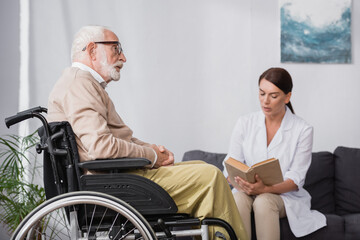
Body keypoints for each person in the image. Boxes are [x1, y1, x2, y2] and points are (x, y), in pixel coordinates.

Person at [47, 25, 247, 240]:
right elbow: (101, 147)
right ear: (92, 50)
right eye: (116, 48)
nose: (123, 57)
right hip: (111, 184)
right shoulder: (79, 85)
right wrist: (151, 156)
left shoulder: (82, 84)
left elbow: (111, 140)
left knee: (200, 167)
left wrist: (150, 150)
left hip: (116, 177)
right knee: (210, 177)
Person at [223, 68, 326, 240]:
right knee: (237, 201)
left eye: (273, 95)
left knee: (264, 202)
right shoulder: (244, 123)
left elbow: (296, 179)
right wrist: (244, 184)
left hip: (283, 197)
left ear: (287, 97)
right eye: (262, 93)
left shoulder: (303, 130)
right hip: (246, 191)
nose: (265, 101)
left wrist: (265, 189)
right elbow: (230, 164)